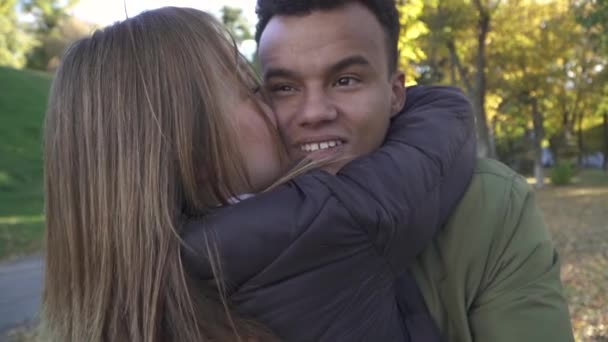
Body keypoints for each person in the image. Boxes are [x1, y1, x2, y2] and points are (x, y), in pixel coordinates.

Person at [42, 7, 475, 342]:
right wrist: (419, 101)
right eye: (254, 89)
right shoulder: (317, 227)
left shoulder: (120, 290)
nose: (284, 111)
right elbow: (433, 150)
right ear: (194, 149)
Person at [254, 0, 575, 341]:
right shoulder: (216, 211)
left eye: (345, 80)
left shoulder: (491, 206)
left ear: (394, 94)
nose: (314, 112)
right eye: (285, 88)